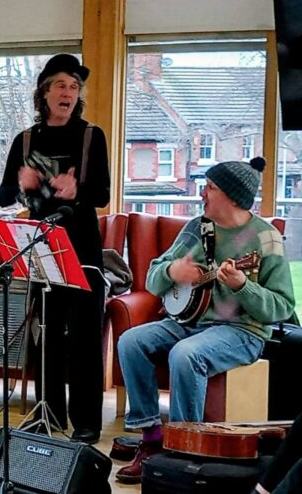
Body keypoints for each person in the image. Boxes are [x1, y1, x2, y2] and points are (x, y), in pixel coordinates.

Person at [114, 157, 296, 484]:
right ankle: (152, 440)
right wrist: (173, 271)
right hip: (189, 321)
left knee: (186, 354)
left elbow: (282, 307)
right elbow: (155, 277)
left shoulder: (265, 239)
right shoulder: (197, 228)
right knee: (131, 341)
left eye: (210, 187)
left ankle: (182, 452)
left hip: (242, 331)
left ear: (232, 196)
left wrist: (243, 286)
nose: (202, 194)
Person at [0, 53, 110, 444]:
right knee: (45, 334)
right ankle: (48, 414)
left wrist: (77, 190)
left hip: (82, 249)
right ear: (45, 92)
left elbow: (103, 194)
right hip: (41, 249)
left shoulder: (91, 136)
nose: (68, 92)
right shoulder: (26, 140)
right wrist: (23, 183)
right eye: (60, 85)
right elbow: (3, 197)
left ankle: (87, 422)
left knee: (83, 337)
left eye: (74, 87)